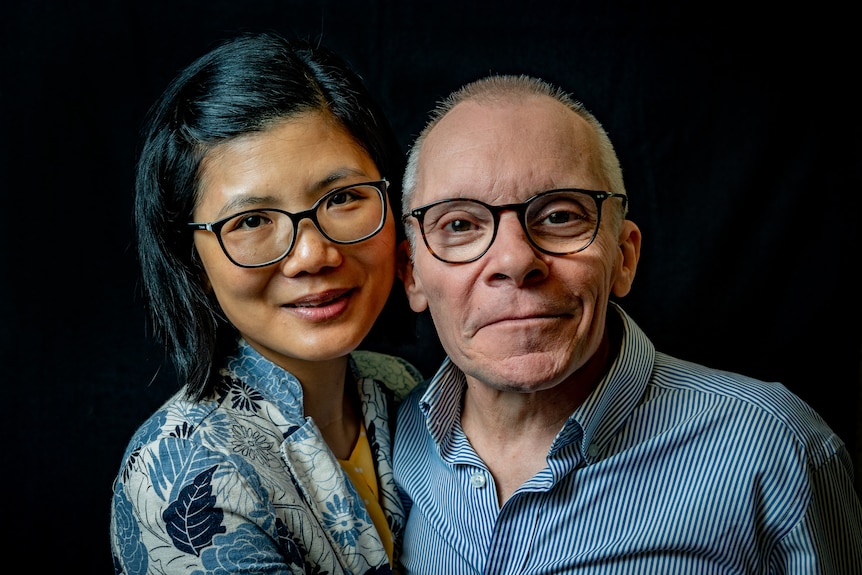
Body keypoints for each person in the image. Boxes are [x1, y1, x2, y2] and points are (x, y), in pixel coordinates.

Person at [393, 74, 862, 573]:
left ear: (624, 257)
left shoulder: (775, 448)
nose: (514, 258)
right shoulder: (394, 440)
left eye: (558, 216)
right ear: (412, 276)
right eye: (459, 225)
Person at [110, 32, 423, 575]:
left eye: (344, 197)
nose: (312, 255)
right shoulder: (185, 477)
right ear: (193, 264)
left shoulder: (403, 390)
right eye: (252, 220)